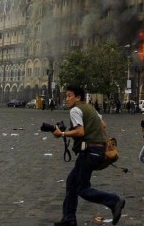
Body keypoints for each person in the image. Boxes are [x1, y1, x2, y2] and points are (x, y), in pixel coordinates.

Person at [49, 85, 125, 226]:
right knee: (71, 182)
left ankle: (114, 201)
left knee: (82, 188)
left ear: (78, 97)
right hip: (98, 151)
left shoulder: (75, 110)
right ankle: (69, 219)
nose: (67, 99)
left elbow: (80, 132)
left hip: (89, 152)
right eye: (66, 96)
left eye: (69, 96)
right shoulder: (90, 108)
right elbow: (103, 124)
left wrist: (62, 134)